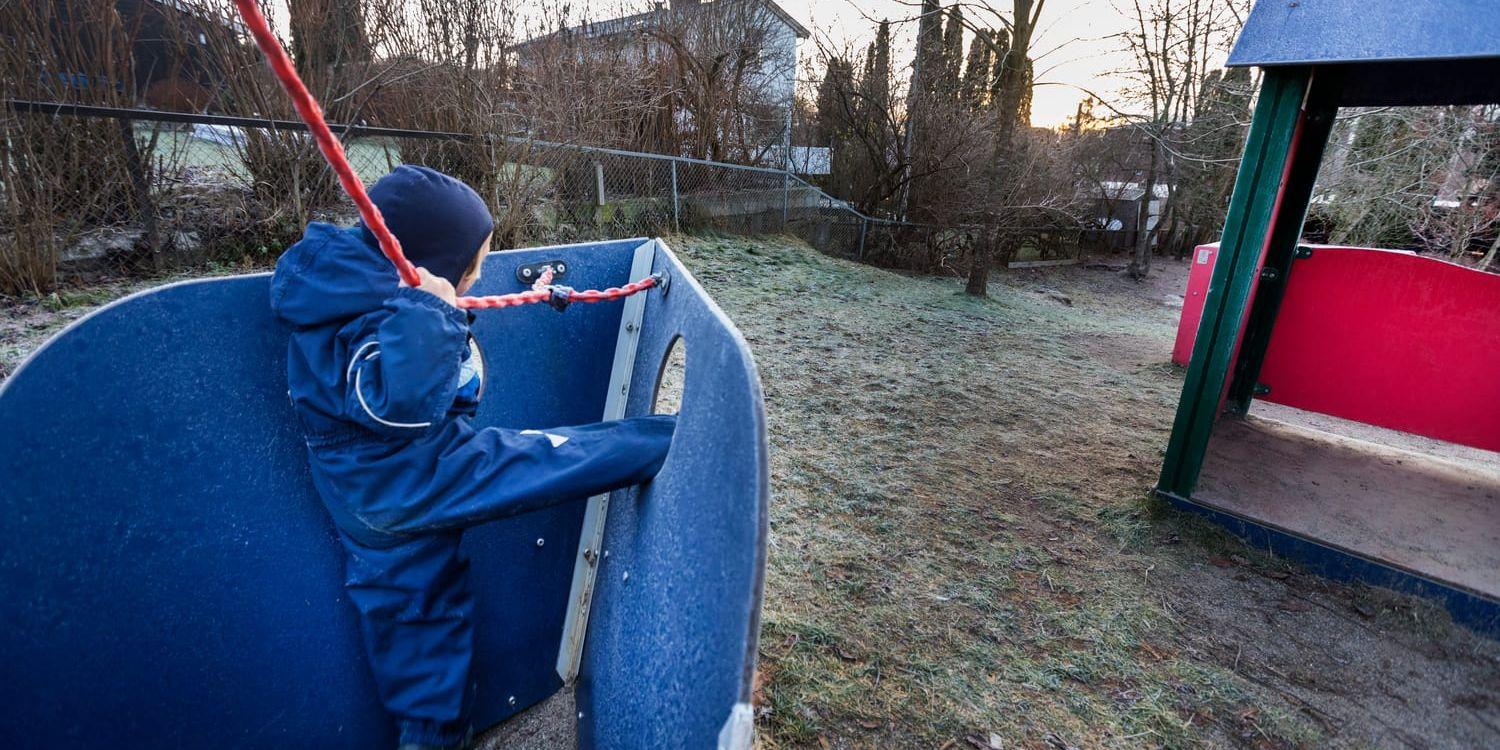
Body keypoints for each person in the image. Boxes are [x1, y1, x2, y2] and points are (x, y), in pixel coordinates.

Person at [270, 165, 675, 749]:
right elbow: (396, 406)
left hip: (389, 494)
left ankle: (436, 735)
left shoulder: (350, 292)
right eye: (472, 266)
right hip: (408, 480)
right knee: (549, 459)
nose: (479, 277)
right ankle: (669, 439)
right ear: (425, 264)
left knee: (424, 638)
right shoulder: (369, 318)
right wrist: (430, 314)